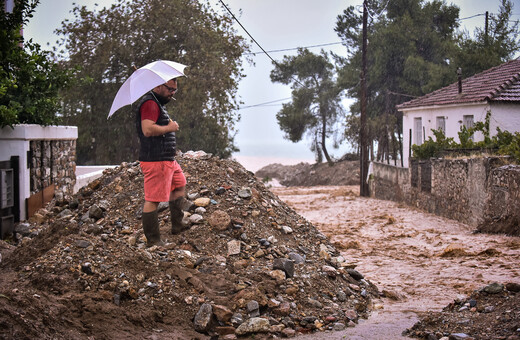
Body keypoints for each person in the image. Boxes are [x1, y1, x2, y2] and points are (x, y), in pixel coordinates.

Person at [135, 77, 191, 247]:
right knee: (153, 199)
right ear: (158, 86)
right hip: (155, 159)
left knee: (179, 184)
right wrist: (169, 128)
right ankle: (154, 240)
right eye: (170, 89)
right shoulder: (150, 103)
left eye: (175, 90)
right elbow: (147, 129)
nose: (172, 94)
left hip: (167, 159)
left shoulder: (157, 104)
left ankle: (177, 225)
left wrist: (167, 124)